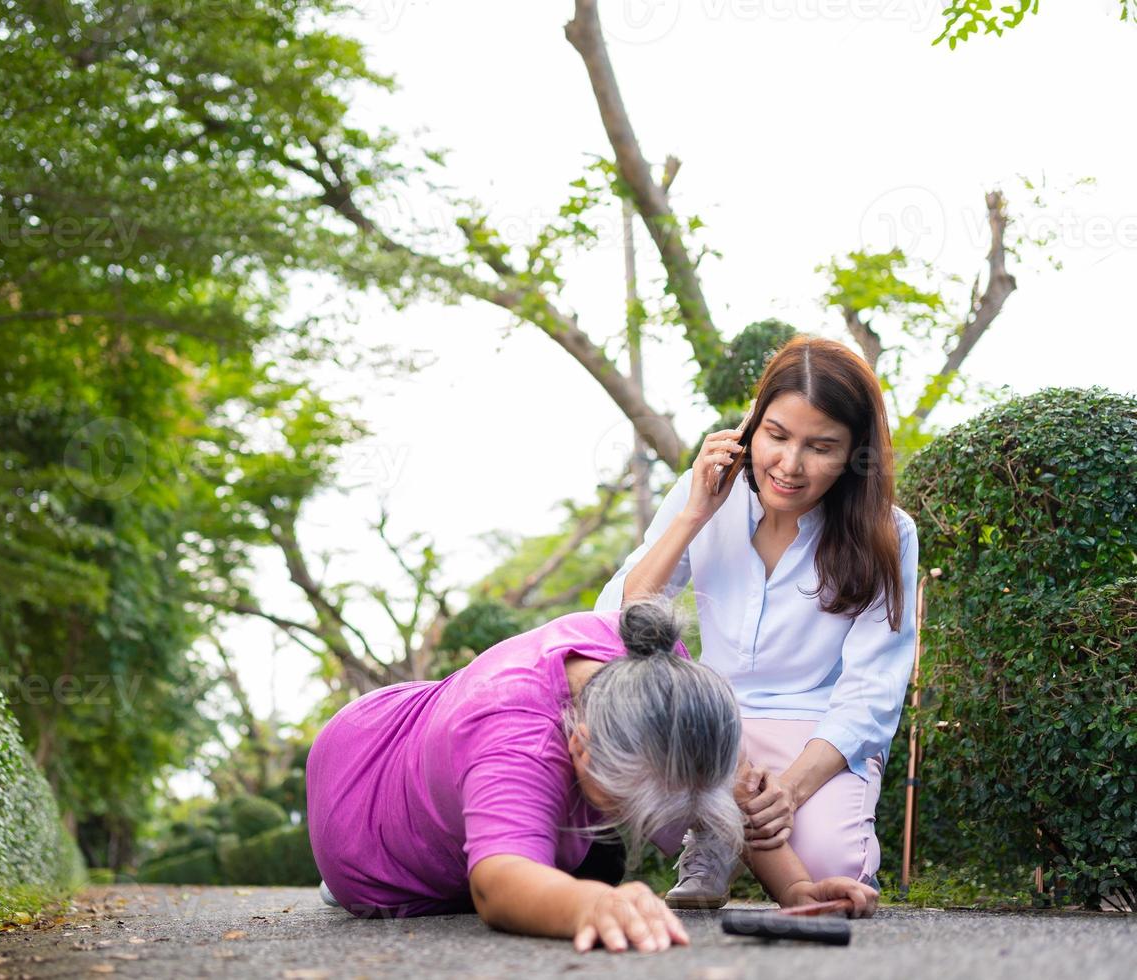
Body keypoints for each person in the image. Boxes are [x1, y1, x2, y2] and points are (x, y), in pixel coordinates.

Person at [306, 597, 878, 953]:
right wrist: (587, 907)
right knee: (590, 876)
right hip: (363, 818)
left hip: (434, 734)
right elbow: (496, 887)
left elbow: (728, 782)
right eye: (632, 799)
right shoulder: (515, 739)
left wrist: (796, 890)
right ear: (578, 745)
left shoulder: (650, 661)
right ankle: (360, 880)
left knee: (591, 861)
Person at [595, 335, 919, 908]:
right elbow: (619, 622)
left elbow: (873, 690)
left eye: (821, 447)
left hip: (812, 728)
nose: (789, 466)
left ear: (854, 454)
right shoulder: (702, 496)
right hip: (711, 723)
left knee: (837, 867)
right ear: (751, 424)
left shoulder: (887, 533)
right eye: (776, 436)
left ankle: (729, 820)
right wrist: (696, 513)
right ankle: (715, 828)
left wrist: (788, 792)